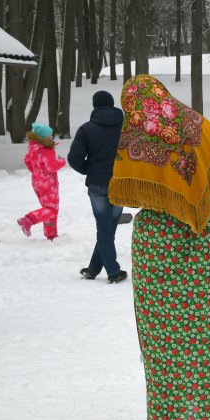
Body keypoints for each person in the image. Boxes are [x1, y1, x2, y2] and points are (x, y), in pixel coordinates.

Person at [108, 74, 210, 420]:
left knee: (166, 337)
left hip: (160, 250)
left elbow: (120, 186)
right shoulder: (204, 131)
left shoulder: (134, 139)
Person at [68, 90, 127, 283]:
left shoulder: (87, 129)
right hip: (121, 183)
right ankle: (103, 270)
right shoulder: (126, 127)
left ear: (95, 106)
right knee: (108, 228)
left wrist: (89, 170)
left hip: (97, 185)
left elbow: (74, 158)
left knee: (105, 227)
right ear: (112, 104)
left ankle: (103, 270)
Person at [17, 123, 66, 240]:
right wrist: (61, 161)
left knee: (47, 208)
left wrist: (36, 172)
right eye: (49, 135)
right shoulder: (46, 150)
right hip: (48, 183)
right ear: (43, 137)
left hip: (36, 181)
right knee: (52, 209)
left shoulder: (33, 148)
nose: (52, 137)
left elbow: (27, 160)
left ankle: (51, 235)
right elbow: (52, 167)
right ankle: (28, 220)